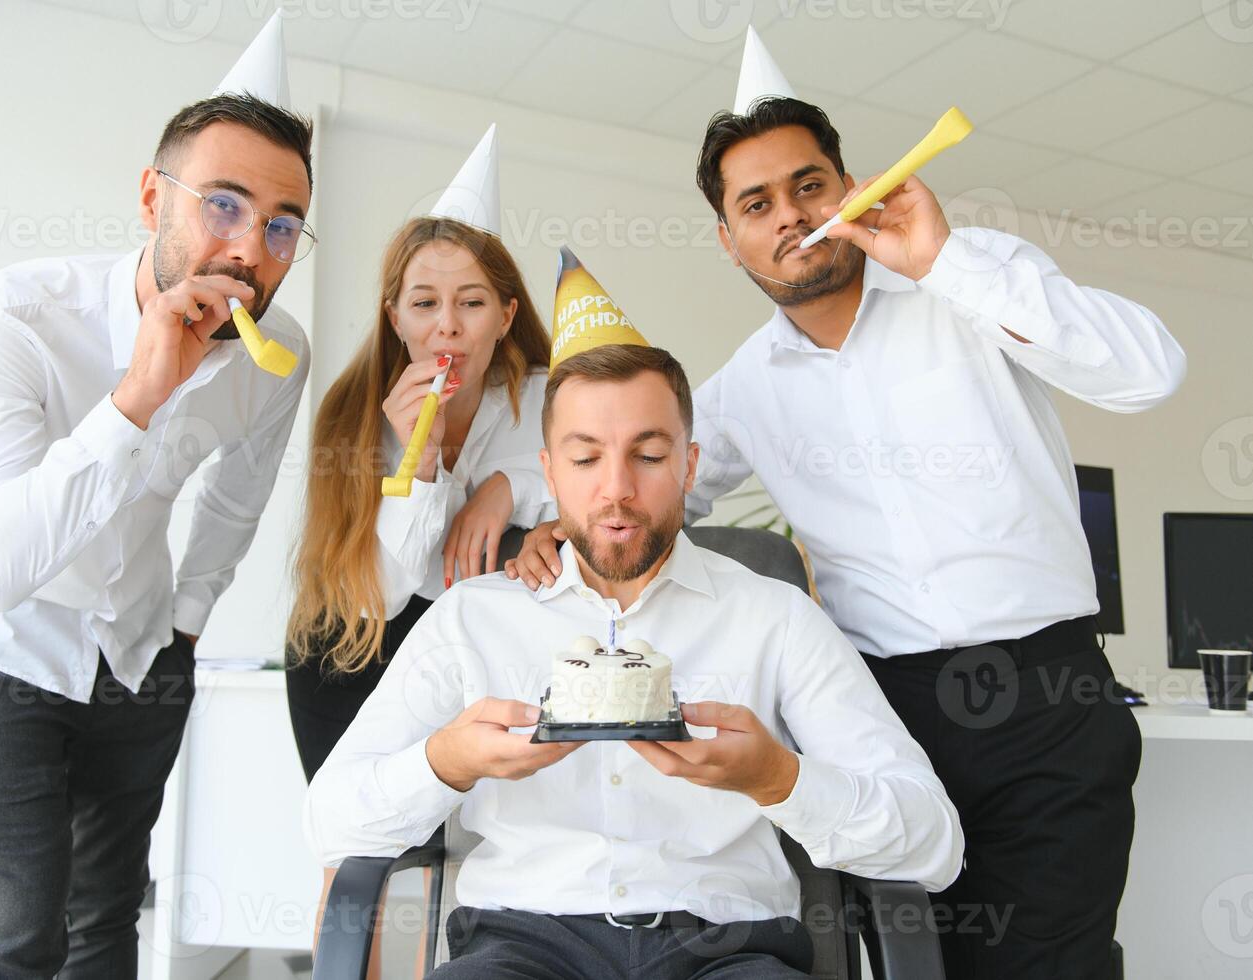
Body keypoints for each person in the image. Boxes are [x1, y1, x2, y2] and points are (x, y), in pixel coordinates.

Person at [507, 30, 1184, 980]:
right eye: (757, 203)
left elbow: (1150, 373)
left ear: (851, 186)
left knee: (1055, 965)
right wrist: (549, 528)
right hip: (884, 718)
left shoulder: (965, 278)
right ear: (728, 238)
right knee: (909, 964)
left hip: (1048, 704)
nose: (791, 215)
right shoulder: (743, 390)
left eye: (809, 184)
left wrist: (944, 260)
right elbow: (645, 497)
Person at [305, 258, 963, 980]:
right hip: (521, 948)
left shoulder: (775, 619)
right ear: (548, 474)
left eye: (648, 456)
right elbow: (328, 823)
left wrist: (780, 779)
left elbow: (932, 844)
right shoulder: (474, 619)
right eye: (586, 459)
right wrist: (445, 763)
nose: (616, 491)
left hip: (728, 950)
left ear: (688, 466)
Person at [0, 18, 315, 976]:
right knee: (17, 936)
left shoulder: (278, 354)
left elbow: (236, 498)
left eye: (282, 223)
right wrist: (137, 397)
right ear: (151, 199)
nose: (250, 248)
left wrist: (186, 624)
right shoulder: (11, 317)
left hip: (139, 657)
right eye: (223, 204)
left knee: (105, 920)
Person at [286, 126, 551, 783]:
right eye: (425, 304)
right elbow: (379, 594)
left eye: (472, 303)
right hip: (362, 646)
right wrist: (421, 463)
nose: (448, 327)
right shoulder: (354, 423)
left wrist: (509, 490)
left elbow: (612, 494)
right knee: (354, 841)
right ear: (396, 318)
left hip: (495, 650)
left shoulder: (553, 402)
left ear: (505, 314)